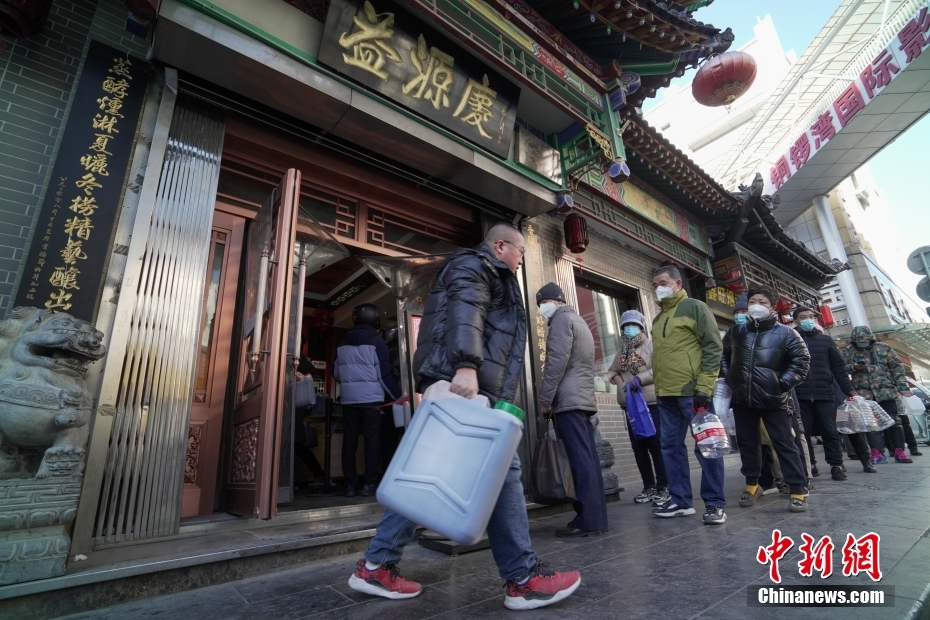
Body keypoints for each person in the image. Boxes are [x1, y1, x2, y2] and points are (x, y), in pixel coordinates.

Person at [348, 224, 581, 611]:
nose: (522, 258)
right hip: (462, 382)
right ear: (500, 245)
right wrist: (467, 366)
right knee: (498, 471)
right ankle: (522, 579)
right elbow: (466, 312)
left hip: (463, 382)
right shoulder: (476, 265)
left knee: (435, 473)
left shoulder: (485, 269)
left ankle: (377, 563)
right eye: (520, 250)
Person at [649, 265, 727, 524]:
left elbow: (713, 347)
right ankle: (681, 501)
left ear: (678, 284)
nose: (658, 288)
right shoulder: (658, 319)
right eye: (654, 284)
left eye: (662, 282)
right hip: (666, 394)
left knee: (707, 447)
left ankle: (715, 504)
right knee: (670, 447)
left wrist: (705, 386)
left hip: (693, 392)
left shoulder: (695, 307)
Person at [723, 287, 811, 513]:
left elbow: (801, 362)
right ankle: (753, 485)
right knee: (747, 444)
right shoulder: (736, 332)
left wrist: (780, 384)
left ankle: (797, 489)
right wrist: (731, 379)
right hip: (743, 398)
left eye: (761, 301)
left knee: (784, 443)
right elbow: (724, 357)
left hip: (775, 399)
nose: (756, 305)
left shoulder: (787, 333)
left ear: (772, 307)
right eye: (752, 301)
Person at [535, 282, 608, 537]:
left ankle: (588, 520)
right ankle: (595, 518)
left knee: (579, 462)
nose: (542, 309)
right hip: (582, 399)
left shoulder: (560, 322)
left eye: (543, 303)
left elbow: (556, 363)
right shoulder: (578, 321)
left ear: (555, 301)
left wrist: (545, 399)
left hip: (568, 402)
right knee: (588, 460)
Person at [793, 307, 875, 476]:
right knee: (803, 432)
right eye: (803, 317)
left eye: (811, 317)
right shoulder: (790, 339)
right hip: (800, 394)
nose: (808, 320)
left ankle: (836, 465)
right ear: (796, 321)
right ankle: (810, 465)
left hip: (826, 393)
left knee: (830, 430)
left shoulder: (825, 340)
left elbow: (839, 368)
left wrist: (850, 391)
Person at [333, 303, 402, 497]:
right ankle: (369, 484)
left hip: (349, 401)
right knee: (372, 441)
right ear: (375, 320)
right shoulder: (377, 343)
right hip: (372, 401)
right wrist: (398, 397)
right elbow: (384, 375)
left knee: (350, 442)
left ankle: (350, 484)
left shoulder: (341, 345)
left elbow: (336, 373)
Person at [607, 309, 669, 506]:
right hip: (630, 406)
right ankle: (648, 487)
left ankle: (664, 487)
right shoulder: (622, 350)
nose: (630, 329)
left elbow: (659, 369)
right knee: (639, 448)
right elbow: (611, 370)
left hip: (650, 403)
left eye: (634, 325)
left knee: (656, 445)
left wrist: (637, 380)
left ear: (641, 327)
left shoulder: (651, 346)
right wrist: (617, 378)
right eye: (626, 326)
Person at [841, 326, 915, 464]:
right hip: (864, 394)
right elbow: (841, 369)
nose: (862, 343)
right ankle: (876, 452)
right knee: (870, 424)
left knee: (895, 421)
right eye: (859, 341)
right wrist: (854, 367)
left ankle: (899, 450)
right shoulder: (848, 352)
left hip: (886, 391)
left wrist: (903, 387)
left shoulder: (884, 348)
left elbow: (897, 369)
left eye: (865, 341)